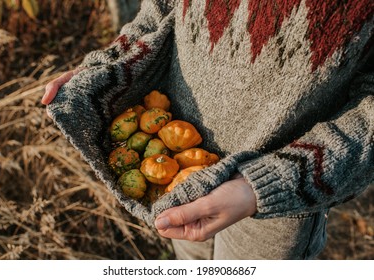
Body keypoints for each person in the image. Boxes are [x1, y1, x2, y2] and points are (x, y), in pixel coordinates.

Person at [42, 0, 374, 259]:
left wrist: (265, 186)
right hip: (176, 179)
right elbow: (161, 6)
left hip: (276, 197)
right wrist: (109, 65)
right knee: (194, 262)